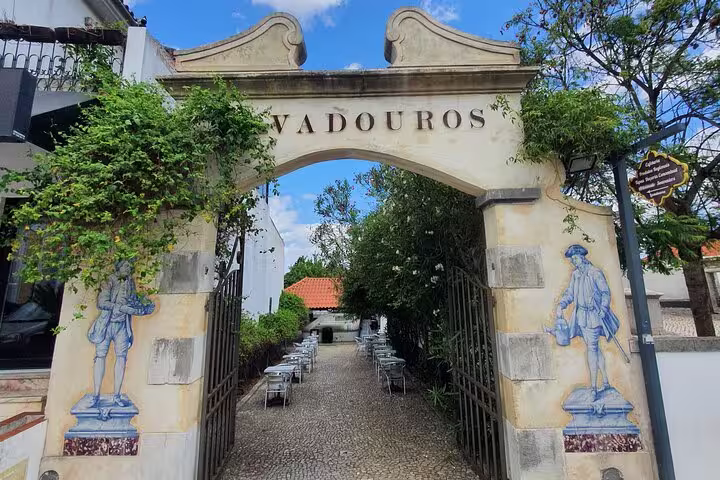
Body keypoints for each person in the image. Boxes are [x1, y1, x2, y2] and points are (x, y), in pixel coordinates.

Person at [546, 244, 620, 401]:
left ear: (582, 257)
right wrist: (561, 304)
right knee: (594, 347)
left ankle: (593, 387)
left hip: (594, 315)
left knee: (592, 348)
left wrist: (603, 308)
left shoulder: (594, 273)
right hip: (581, 316)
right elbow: (570, 293)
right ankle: (605, 380)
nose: (573, 261)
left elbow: (605, 292)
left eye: (575, 258)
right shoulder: (576, 275)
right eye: (572, 259)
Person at [87, 261, 155, 407]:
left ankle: (117, 395)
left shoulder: (130, 282)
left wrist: (142, 305)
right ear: (118, 267)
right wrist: (122, 308)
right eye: (126, 266)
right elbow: (102, 302)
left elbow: (133, 300)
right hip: (106, 324)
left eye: (130, 267)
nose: (129, 269)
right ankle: (96, 395)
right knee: (100, 357)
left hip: (122, 326)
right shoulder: (110, 280)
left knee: (121, 358)